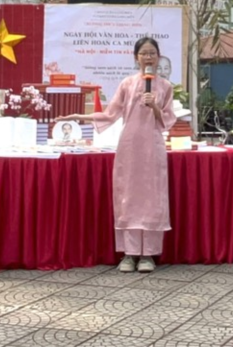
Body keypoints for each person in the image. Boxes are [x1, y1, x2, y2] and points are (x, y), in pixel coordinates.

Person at [67, 36, 176, 273]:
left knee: (152, 198)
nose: (148, 57)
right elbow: (110, 114)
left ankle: (148, 255)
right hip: (129, 147)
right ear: (136, 57)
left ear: (158, 57)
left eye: (152, 53)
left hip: (153, 146)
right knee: (128, 197)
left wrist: (154, 105)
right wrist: (79, 116)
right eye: (144, 53)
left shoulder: (166, 87)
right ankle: (129, 253)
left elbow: (167, 120)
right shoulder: (127, 84)